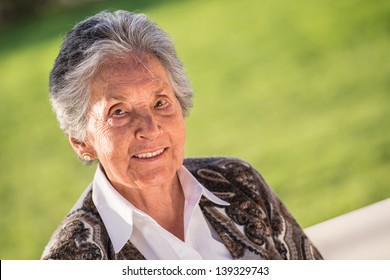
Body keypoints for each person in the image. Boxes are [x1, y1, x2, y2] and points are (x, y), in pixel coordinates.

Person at [41, 10, 322, 260]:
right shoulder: (70, 259)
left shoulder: (239, 181)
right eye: (119, 112)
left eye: (160, 102)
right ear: (81, 142)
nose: (150, 128)